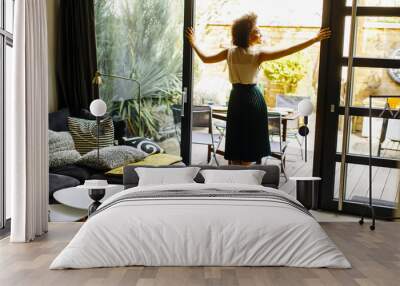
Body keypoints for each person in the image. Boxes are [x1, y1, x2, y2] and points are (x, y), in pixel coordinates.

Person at [186, 13, 331, 166]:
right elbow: (289, 49)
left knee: (237, 141)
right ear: (247, 35)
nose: (261, 33)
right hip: (253, 99)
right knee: (250, 144)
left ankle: (234, 180)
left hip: (236, 98)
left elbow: (205, 59)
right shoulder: (257, 54)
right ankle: (245, 180)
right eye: (257, 31)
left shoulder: (229, 52)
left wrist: (193, 42)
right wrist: (314, 39)